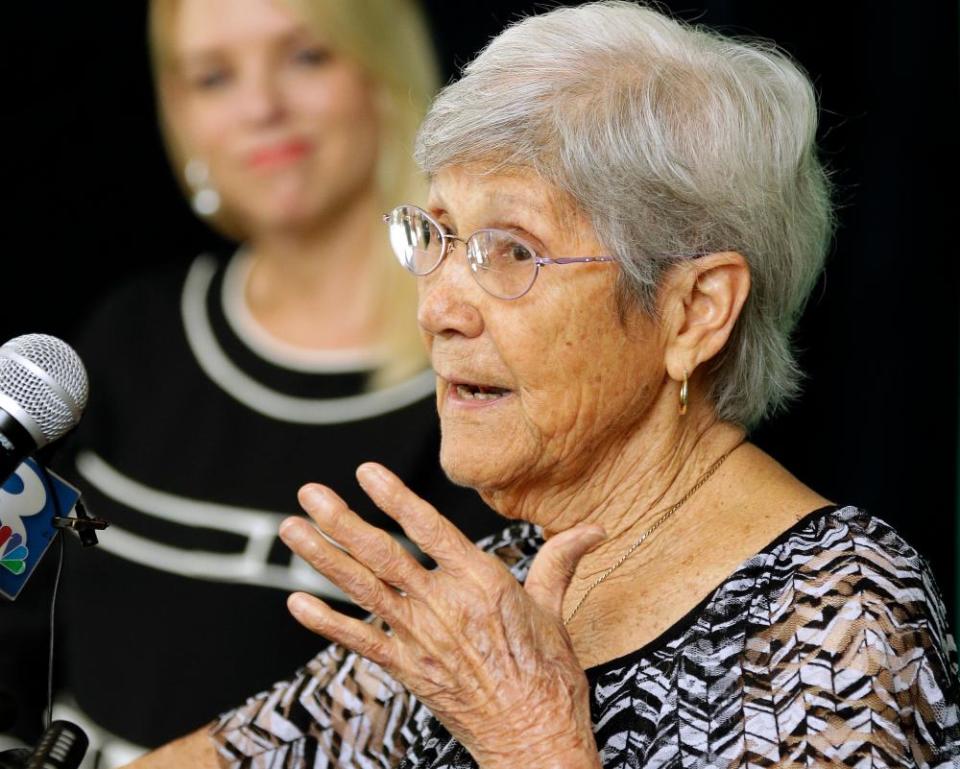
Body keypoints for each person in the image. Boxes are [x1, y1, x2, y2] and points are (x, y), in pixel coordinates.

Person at [125, 1, 960, 767]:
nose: (438, 309)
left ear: (694, 312)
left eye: (511, 251)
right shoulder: (502, 577)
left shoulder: (840, 615)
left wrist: (530, 734)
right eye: (439, 236)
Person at [0, 0, 504, 765]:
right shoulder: (126, 338)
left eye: (306, 57)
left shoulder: (476, 376)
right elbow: (12, 612)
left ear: (385, 76)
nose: (261, 106)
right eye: (213, 76)